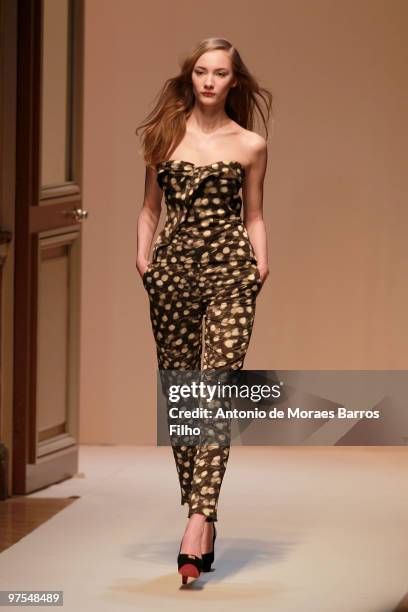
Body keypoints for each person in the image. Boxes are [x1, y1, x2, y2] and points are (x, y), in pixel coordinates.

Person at [135, 37, 272, 584]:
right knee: (184, 391)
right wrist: (143, 257)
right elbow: (149, 208)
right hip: (171, 274)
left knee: (215, 386)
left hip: (231, 273)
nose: (210, 81)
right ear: (189, 77)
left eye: (220, 73)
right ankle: (206, 514)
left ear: (234, 81)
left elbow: (255, 213)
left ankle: (197, 520)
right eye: (201, 72)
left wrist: (260, 261)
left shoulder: (251, 145)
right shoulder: (162, 137)